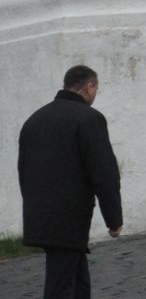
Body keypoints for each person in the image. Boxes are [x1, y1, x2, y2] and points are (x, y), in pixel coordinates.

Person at [17, 65, 123, 299]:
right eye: (96, 89)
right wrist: (114, 219)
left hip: (41, 216)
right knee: (61, 286)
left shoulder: (34, 120)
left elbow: (23, 171)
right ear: (89, 86)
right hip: (68, 219)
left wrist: (34, 207)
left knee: (76, 281)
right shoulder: (89, 119)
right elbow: (104, 173)